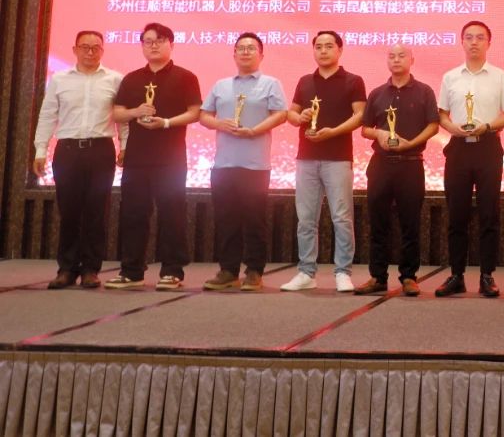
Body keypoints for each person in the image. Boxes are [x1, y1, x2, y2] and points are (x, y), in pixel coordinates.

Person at [106, 23, 201, 291]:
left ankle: (172, 271)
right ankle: (131, 271)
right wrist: (136, 112)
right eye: (148, 41)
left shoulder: (185, 77)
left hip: (171, 159)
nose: (153, 45)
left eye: (159, 40)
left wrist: (166, 123)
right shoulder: (132, 78)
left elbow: (195, 112)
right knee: (133, 213)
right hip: (137, 158)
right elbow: (117, 113)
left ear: (172, 44)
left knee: (172, 213)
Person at [33, 30, 125, 289]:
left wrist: (125, 146)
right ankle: (67, 268)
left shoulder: (115, 79)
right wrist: (40, 150)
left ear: (102, 51)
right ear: (75, 49)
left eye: (96, 47)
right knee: (69, 211)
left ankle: (91, 269)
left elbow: (122, 119)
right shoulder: (59, 79)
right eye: (85, 47)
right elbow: (47, 115)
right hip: (68, 151)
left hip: (101, 150)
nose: (90, 52)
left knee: (96, 210)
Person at [198, 33, 287, 291]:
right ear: (234, 54)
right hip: (223, 164)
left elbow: (281, 114)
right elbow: (204, 116)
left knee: (255, 220)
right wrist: (219, 124)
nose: (246, 52)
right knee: (226, 219)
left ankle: (254, 271)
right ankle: (228, 270)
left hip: (255, 164)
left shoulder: (271, 84)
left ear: (261, 54)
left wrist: (256, 130)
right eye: (241, 48)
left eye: (251, 48)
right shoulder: (221, 85)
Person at [281, 31, 366, 293]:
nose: (323, 51)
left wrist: (334, 132)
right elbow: (291, 113)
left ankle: (343, 272)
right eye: (318, 46)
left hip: (338, 157)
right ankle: (306, 272)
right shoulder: (305, 81)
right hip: (306, 157)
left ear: (340, 50)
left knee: (342, 217)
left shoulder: (353, 80)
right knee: (306, 218)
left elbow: (360, 115)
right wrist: (299, 117)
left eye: (329, 46)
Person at [436, 21, 504, 298]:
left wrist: (488, 126)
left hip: (488, 147)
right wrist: (452, 128)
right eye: (469, 37)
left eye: (480, 37)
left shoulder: (500, 77)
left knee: (489, 213)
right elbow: (442, 114)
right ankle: (456, 275)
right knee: (456, 213)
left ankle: (487, 275)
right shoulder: (450, 77)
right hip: (458, 148)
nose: (474, 42)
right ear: (461, 42)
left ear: (488, 43)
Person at [355, 44, 439, 295]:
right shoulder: (377, 93)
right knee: (378, 222)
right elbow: (365, 128)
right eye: (391, 56)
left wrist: (411, 144)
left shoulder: (424, 91)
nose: (396, 60)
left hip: (411, 163)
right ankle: (377, 276)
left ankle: (409, 276)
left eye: (402, 56)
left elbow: (433, 125)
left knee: (410, 223)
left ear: (412, 60)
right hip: (381, 164)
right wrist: (379, 134)